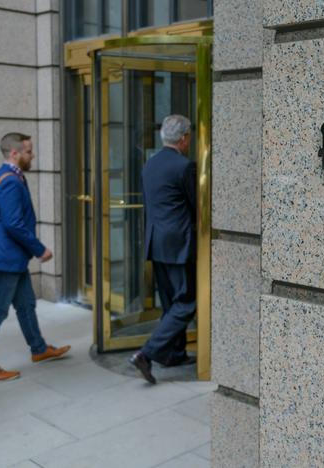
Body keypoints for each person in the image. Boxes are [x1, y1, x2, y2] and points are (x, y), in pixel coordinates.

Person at [0, 133, 70, 381]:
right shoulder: (9, 182)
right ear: (14, 153)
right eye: (28, 151)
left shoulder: (9, 177)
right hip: (4, 260)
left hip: (11, 259)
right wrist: (40, 249)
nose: (33, 155)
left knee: (26, 305)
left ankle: (39, 349)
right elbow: (13, 223)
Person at [129, 115, 197, 384]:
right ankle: (147, 353)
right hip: (179, 243)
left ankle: (173, 354)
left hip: (156, 242)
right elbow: (195, 205)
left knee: (170, 302)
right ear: (184, 139)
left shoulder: (150, 164)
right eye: (189, 136)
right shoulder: (185, 166)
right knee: (187, 301)